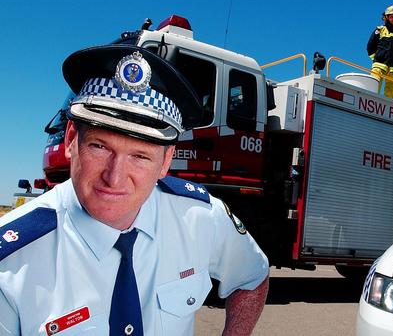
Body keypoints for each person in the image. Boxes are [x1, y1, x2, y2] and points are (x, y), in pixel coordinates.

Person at [0, 45, 269, 335]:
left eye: (140, 156)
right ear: (71, 139)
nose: (115, 178)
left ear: (166, 161)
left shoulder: (200, 217)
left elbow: (252, 278)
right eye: (100, 147)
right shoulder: (11, 264)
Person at [366, 5, 393, 99]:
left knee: (390, 96)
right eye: (391, 16)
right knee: (373, 89)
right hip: (379, 67)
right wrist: (376, 59)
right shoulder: (380, 30)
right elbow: (370, 46)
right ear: (386, 17)